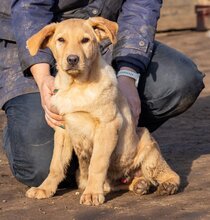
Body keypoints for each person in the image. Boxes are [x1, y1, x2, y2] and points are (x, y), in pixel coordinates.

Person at [0, 0, 204, 187]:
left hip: (100, 39)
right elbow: (31, 8)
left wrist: (128, 75)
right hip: (29, 42)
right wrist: (43, 76)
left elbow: (142, 4)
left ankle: (116, 149)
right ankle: (22, 131)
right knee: (36, 167)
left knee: (180, 79)